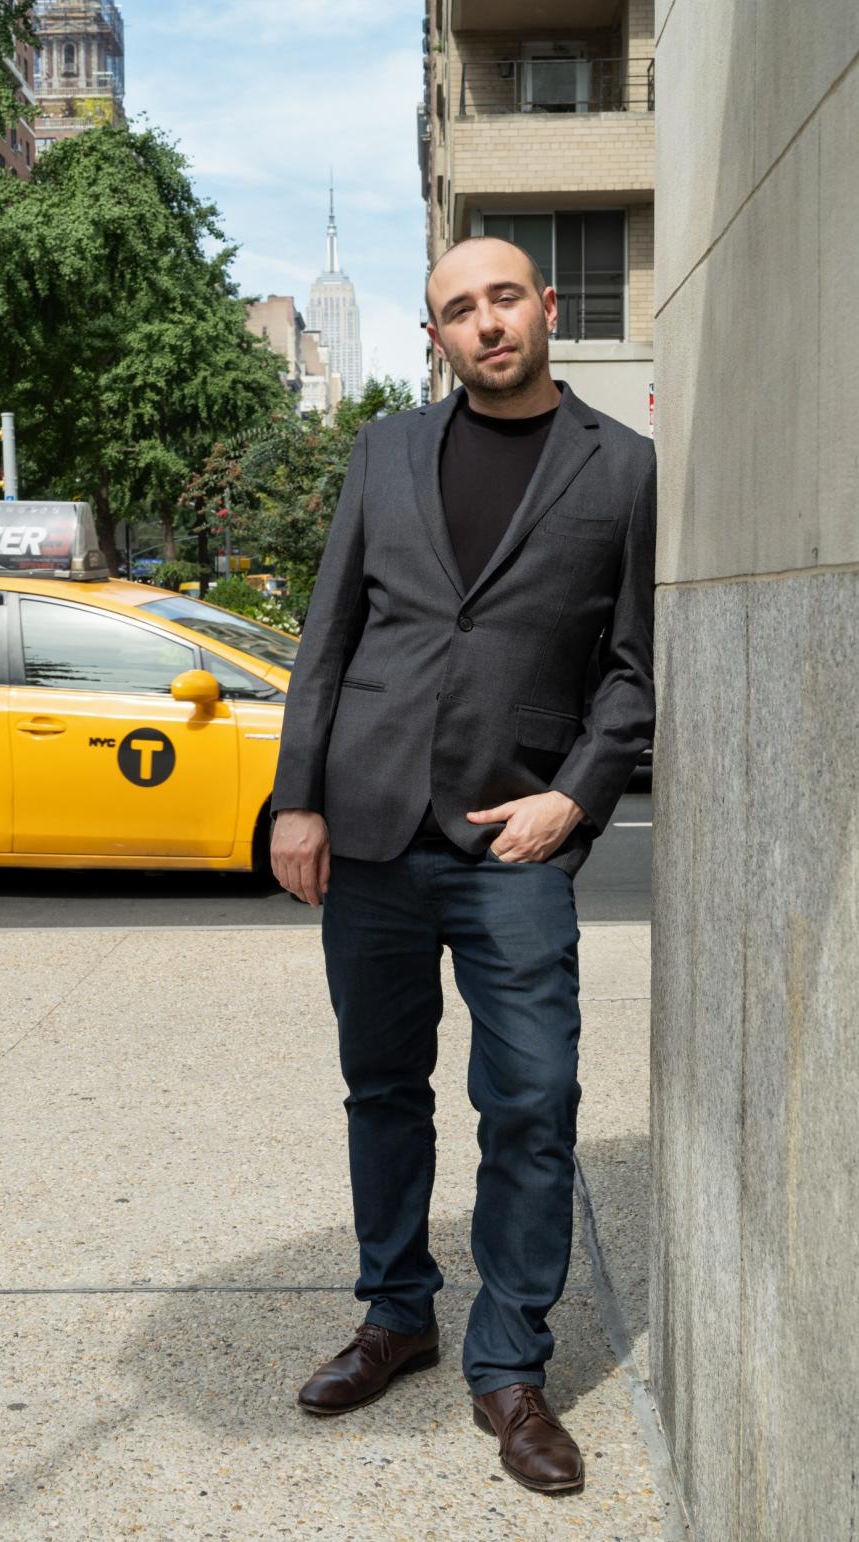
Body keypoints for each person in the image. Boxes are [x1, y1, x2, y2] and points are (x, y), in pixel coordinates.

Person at [270, 236, 656, 1496]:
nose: (485, 323)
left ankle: (511, 1366)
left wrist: (576, 796)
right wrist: (297, 803)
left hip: (513, 846)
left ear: (544, 308)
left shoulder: (624, 467)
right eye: (457, 310)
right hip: (372, 830)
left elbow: (633, 670)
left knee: (534, 1102)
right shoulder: (384, 452)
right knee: (382, 1088)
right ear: (434, 336)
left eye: (503, 298)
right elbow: (328, 637)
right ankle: (397, 1313)